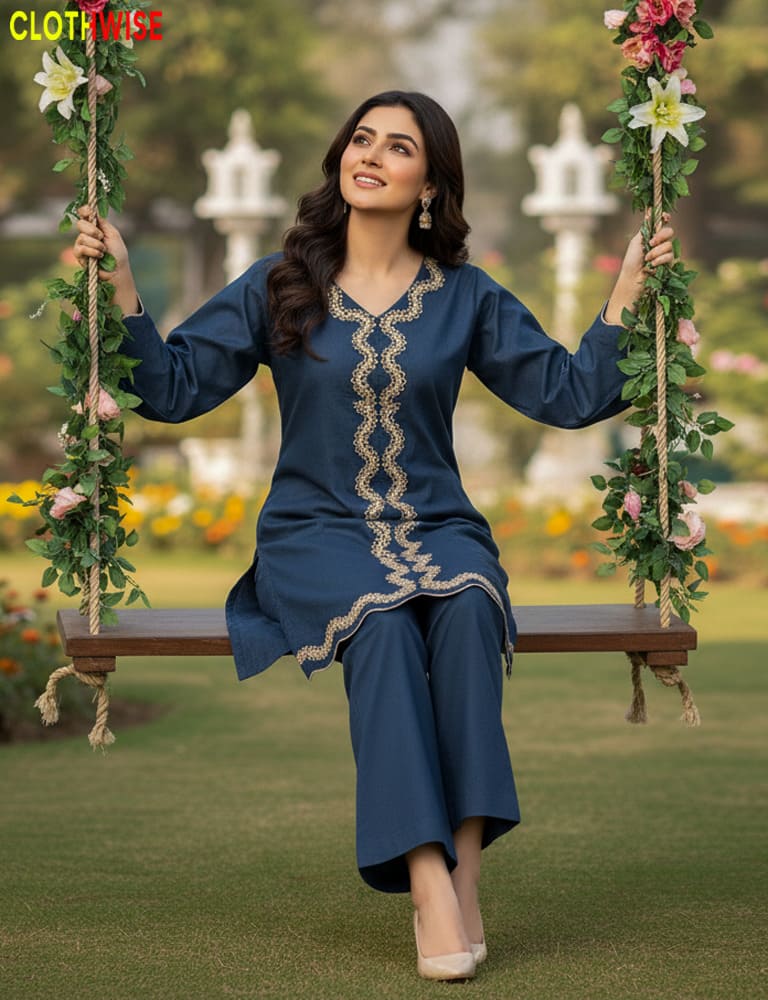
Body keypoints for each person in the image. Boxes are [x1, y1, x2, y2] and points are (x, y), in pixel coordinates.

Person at [74, 90, 675, 981]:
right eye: (362, 139)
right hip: (314, 534)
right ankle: (428, 881)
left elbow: (569, 394)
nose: (371, 156)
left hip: (439, 525)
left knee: (470, 608)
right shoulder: (279, 283)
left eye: (398, 147)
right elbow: (170, 389)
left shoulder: (465, 296)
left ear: (429, 183)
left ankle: (464, 874)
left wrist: (626, 294)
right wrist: (121, 285)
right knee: (384, 621)